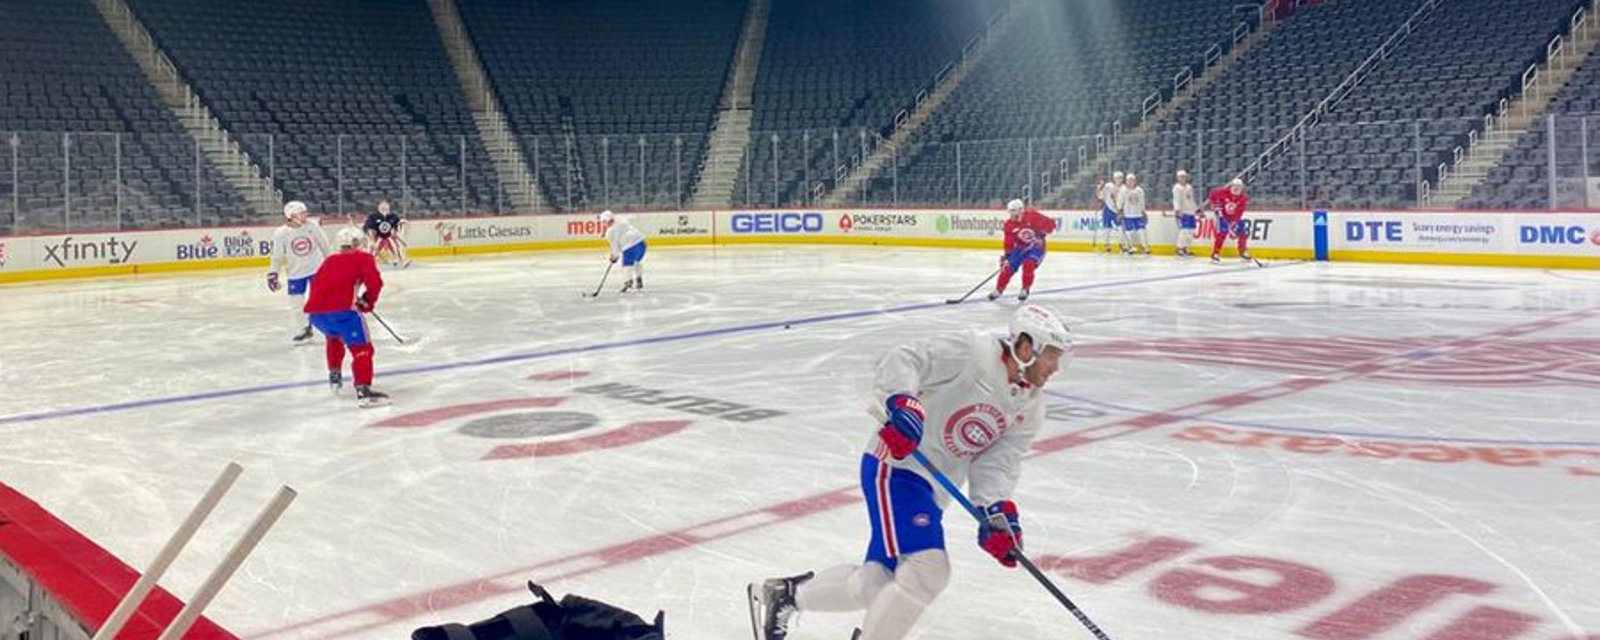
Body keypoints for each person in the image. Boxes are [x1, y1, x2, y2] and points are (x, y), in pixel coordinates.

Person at [749, 305, 1073, 640]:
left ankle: (784, 596)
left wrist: (996, 511)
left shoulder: (1031, 407)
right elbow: (906, 358)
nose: (1055, 367)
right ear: (1024, 345)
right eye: (1051, 355)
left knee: (875, 584)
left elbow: (997, 463)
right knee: (927, 570)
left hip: (933, 491)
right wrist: (903, 403)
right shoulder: (973, 353)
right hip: (895, 467)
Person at [305, 227, 388, 407]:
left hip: (316, 315)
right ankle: (364, 392)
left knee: (334, 337)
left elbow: (320, 286)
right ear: (357, 243)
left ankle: (334, 375)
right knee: (362, 349)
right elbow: (375, 282)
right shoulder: (363, 258)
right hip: (343, 312)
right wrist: (368, 301)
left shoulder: (329, 260)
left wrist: (350, 297)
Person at [266, 201, 330, 345]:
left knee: (321, 302)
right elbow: (277, 256)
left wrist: (333, 263)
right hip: (295, 273)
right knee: (296, 305)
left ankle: (331, 329)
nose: (305, 216)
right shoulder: (280, 233)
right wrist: (273, 273)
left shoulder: (312, 226)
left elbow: (324, 244)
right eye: (302, 213)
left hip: (316, 269)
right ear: (291, 215)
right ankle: (305, 329)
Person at [987, 199, 1056, 302]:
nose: (1011, 215)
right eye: (1010, 212)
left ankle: (1025, 288)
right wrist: (1007, 256)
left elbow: (1051, 224)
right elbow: (1008, 242)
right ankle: (999, 289)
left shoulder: (1033, 216)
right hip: (1019, 248)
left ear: (1020, 210)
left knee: (1028, 264)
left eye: (1013, 211)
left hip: (1036, 248)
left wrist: (1045, 230)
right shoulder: (1009, 225)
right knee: (1008, 268)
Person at [1205, 178, 1251, 263]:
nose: (1237, 188)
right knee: (1222, 234)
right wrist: (1213, 204)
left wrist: (1234, 222)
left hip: (1235, 218)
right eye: (1235, 186)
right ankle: (1215, 253)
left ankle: (1243, 251)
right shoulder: (1222, 192)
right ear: (1231, 186)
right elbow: (1212, 193)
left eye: (1239, 187)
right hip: (1223, 217)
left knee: (1243, 233)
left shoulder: (1243, 198)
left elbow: (1239, 211)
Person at [600, 210, 647, 293]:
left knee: (627, 265)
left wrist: (614, 257)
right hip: (641, 243)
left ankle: (628, 282)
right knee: (637, 262)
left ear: (606, 221)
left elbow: (615, 247)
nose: (602, 224)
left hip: (629, 246)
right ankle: (639, 279)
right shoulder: (621, 220)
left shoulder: (610, 232)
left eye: (603, 222)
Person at [364, 199, 409, 268]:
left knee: (396, 247)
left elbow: (397, 225)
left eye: (386, 205)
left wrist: (402, 223)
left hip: (388, 236)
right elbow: (368, 227)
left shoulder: (393, 216)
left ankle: (402, 260)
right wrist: (371, 236)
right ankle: (367, 264)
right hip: (378, 237)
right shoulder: (373, 216)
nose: (384, 207)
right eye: (382, 205)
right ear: (378, 207)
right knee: (373, 250)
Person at [1119, 173, 1149, 254]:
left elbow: (1142, 202)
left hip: (1138, 215)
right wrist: (1120, 211)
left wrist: (1143, 212)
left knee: (1142, 231)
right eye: (1129, 180)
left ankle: (1145, 247)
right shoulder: (1123, 190)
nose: (1130, 182)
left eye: (1132, 180)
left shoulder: (1139, 190)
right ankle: (1130, 247)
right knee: (1128, 232)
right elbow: (1120, 201)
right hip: (1127, 215)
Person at [1171, 170, 1198, 257]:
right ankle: (1180, 248)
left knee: (1191, 230)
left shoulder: (1189, 187)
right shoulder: (1177, 188)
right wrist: (1178, 210)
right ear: (1178, 178)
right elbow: (1176, 199)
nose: (1183, 178)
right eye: (1181, 177)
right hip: (1183, 212)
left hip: (1191, 212)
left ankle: (1186, 247)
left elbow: (1191, 199)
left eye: (1184, 176)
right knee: (1184, 231)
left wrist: (1195, 208)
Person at [1097, 171, 1125, 253]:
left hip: (1118, 211)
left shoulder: (1124, 188)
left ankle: (1121, 245)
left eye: (1120, 178)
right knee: (1107, 228)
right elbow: (1100, 196)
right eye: (1117, 178)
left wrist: (1121, 211)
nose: (1119, 180)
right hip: (1108, 210)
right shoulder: (1108, 186)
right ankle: (1106, 245)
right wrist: (1100, 188)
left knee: (1121, 229)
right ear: (1114, 179)